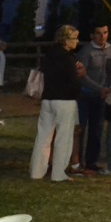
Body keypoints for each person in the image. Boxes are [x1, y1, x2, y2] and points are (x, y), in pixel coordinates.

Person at [28, 25, 83, 182]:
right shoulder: (68, 58)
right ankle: (58, 173)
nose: (77, 41)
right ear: (65, 40)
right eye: (74, 38)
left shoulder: (49, 55)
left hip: (48, 99)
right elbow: (73, 82)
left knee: (43, 136)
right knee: (63, 137)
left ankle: (36, 171)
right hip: (65, 101)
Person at [73, 25, 111, 174]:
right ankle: (77, 161)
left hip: (101, 96)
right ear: (92, 35)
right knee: (80, 129)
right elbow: (82, 76)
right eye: (98, 33)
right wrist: (100, 89)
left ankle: (92, 162)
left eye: (105, 33)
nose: (102, 36)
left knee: (97, 130)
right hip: (85, 95)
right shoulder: (86, 51)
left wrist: (109, 87)